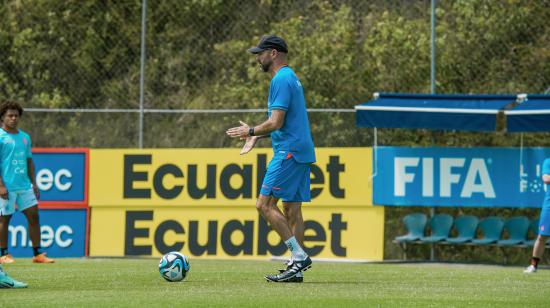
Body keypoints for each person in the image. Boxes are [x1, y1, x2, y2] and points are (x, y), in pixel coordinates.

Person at [226, 35, 315, 283]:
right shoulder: (291, 78)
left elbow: (276, 122)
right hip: (301, 150)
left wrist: (251, 131)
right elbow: (288, 123)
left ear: (273, 53)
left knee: (264, 205)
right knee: (292, 209)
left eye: (260, 53)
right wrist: (258, 137)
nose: (257, 58)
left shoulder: (281, 79)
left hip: (289, 151)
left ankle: (298, 256)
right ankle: (295, 267)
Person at [0, 101, 54, 264]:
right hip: (7, 186)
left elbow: (29, 161)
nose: (13, 118)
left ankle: (38, 254)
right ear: (3, 117)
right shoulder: (0, 137)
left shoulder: (25, 138)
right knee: (4, 219)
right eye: (10, 115)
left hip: (24, 186)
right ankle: (3, 254)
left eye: (16, 115)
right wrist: (0, 185)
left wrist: (34, 183)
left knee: (34, 216)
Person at [524, 157, 550, 273]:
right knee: (542, 236)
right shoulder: (548, 162)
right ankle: (533, 266)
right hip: (549, 206)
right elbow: (546, 178)